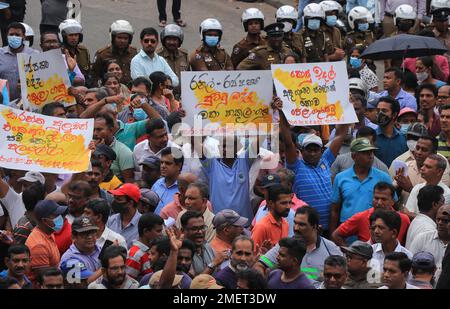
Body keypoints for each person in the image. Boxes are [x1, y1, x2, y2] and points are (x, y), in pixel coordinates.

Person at [276, 97, 349, 233]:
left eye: (316, 150)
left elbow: (340, 135)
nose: (312, 153)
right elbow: (287, 141)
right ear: (301, 151)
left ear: (322, 151)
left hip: (328, 226)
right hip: (305, 227)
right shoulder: (295, 166)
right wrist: (282, 112)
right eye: (308, 149)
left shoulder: (325, 161)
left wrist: (346, 105)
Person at [256, 206, 343, 287]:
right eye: (295, 223)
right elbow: (260, 265)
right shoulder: (285, 246)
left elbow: (343, 276)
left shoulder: (331, 250)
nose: (296, 228)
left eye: (301, 225)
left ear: (314, 227)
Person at [330, 138, 393, 234]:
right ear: (354, 156)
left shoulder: (383, 177)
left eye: (371, 152)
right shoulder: (341, 178)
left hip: (374, 231)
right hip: (347, 232)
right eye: (365, 153)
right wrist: (333, 235)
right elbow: (335, 210)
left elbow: (392, 206)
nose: (371, 156)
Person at [332, 182, 410, 246]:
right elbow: (336, 235)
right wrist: (352, 254)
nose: (379, 203)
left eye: (383, 199)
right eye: (376, 198)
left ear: (392, 201)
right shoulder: (361, 217)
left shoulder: (404, 219)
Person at [25, 200, 67, 284]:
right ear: (44, 221)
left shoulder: (49, 233)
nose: (61, 218)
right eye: (56, 215)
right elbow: (47, 280)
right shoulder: (39, 245)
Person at [408, 204, 450, 281]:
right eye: (438, 219)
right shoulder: (422, 238)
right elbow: (409, 266)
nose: (440, 223)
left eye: (445, 221)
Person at [370, 209, 413, 282]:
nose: (376, 231)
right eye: (374, 227)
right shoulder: (370, 252)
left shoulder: (408, 256)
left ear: (393, 233)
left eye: (381, 228)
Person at [0, 22, 38, 101]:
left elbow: (41, 78)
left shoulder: (34, 54)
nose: (14, 37)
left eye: (17, 35)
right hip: (3, 102)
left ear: (24, 37)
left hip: (27, 101)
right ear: (7, 36)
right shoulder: (0, 53)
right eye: (11, 34)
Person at [180, 211, 226, 276]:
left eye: (202, 228)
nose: (200, 232)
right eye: (194, 229)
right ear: (183, 231)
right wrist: (213, 264)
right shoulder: (180, 253)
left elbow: (218, 270)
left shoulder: (207, 246)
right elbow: (192, 283)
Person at [92, 20, 137, 87]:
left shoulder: (134, 52)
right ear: (113, 38)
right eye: (119, 37)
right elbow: (94, 76)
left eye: (125, 38)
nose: (122, 41)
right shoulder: (102, 54)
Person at [93, 113, 135, 183]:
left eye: (99, 130)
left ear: (111, 130)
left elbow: (128, 182)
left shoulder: (124, 152)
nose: (94, 133)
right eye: (93, 130)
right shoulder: (87, 148)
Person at [59, 216, 101, 283]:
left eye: (92, 232)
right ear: (74, 236)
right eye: (84, 233)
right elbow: (86, 282)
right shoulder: (69, 258)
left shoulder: (101, 249)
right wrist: (105, 268)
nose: (90, 237)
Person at [252, 185, 292, 249]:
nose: (288, 207)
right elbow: (253, 254)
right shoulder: (262, 227)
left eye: (290, 203)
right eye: (283, 203)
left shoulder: (285, 224)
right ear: (271, 203)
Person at [126, 213, 164, 280]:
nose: (161, 234)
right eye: (158, 231)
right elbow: (128, 284)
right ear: (146, 231)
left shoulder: (148, 251)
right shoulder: (135, 255)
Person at [157, 24, 189, 99]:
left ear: (179, 41)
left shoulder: (184, 55)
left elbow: (188, 76)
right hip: (164, 98)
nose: (171, 42)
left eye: (175, 40)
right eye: (169, 39)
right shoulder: (157, 56)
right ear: (163, 40)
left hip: (182, 98)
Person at [375, 96, 408, 167]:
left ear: (394, 114)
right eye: (378, 110)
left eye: (384, 111)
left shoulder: (403, 139)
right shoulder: (371, 137)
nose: (380, 114)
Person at [107, 183, 142, 248]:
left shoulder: (142, 223)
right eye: (114, 198)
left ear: (130, 203)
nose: (115, 202)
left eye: (119, 199)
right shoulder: (111, 220)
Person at [151, 147, 183, 215]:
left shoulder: (184, 188)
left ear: (179, 166)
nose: (163, 166)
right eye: (162, 162)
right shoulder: (157, 184)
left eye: (168, 163)